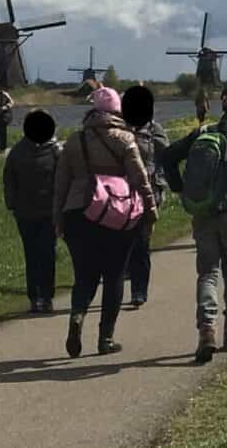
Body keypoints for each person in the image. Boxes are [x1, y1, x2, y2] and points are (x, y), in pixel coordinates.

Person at [53, 87, 157, 357]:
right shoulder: (125, 138)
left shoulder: (74, 141)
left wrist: (59, 218)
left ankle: (77, 316)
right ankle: (105, 338)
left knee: (84, 275)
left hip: (78, 212)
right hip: (116, 212)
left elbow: (60, 183)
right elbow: (140, 177)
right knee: (114, 276)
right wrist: (150, 208)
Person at [164, 109, 227, 362]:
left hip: (204, 211)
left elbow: (167, 156)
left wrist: (180, 189)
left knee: (208, 272)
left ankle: (207, 330)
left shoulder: (203, 132)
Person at [3, 110, 62, 313]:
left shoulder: (56, 151)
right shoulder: (17, 152)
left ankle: (47, 296)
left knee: (47, 254)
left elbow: (63, 179)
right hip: (25, 213)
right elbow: (9, 178)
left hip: (49, 213)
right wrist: (11, 203)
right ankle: (34, 297)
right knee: (32, 255)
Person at [122, 85, 170, 308]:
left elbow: (166, 156)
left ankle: (139, 291)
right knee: (124, 242)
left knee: (142, 243)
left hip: (147, 191)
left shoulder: (154, 130)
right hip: (121, 195)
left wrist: (160, 184)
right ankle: (125, 276)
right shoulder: (120, 129)